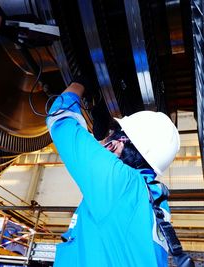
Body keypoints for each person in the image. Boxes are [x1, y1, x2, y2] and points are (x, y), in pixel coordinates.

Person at [47, 82, 192, 266]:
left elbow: (60, 119)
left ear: (116, 145)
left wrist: (79, 84)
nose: (105, 140)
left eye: (110, 135)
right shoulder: (155, 200)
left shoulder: (120, 183)